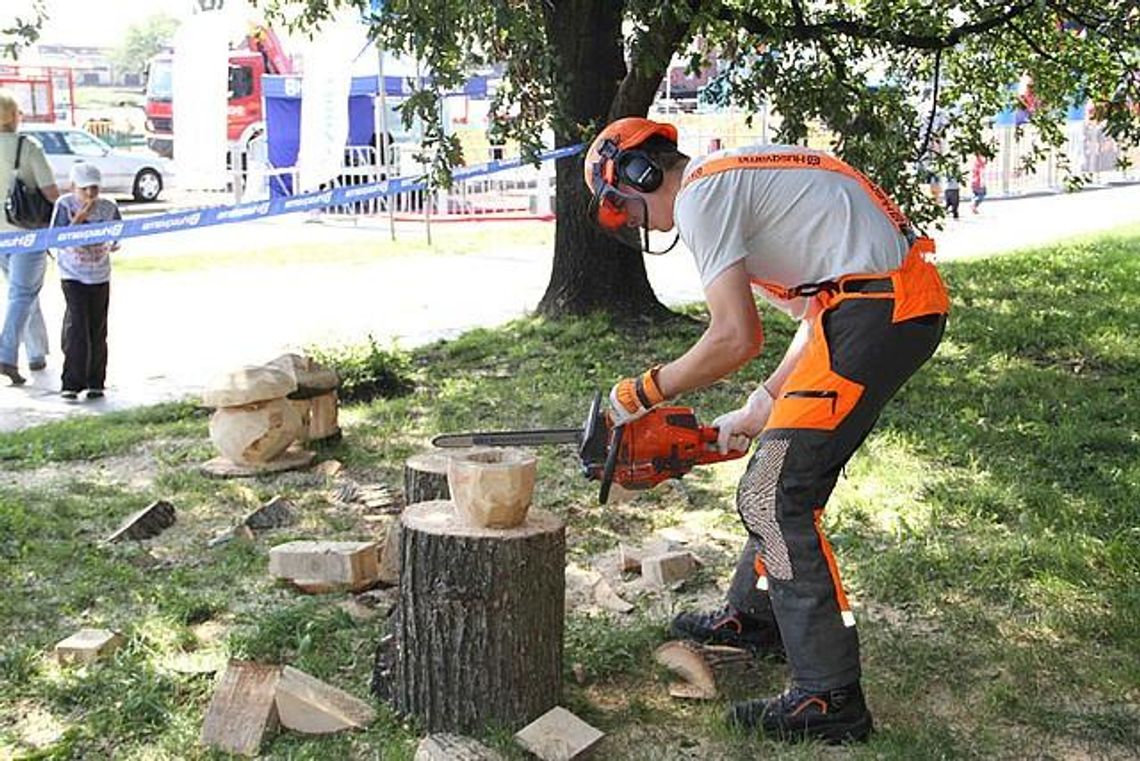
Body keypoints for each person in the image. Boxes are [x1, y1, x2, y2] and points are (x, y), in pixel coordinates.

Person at [584, 118, 949, 744]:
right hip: (872, 307)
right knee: (778, 481)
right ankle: (756, 619)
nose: (628, 219)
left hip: (880, 310)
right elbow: (815, 316)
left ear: (640, 174)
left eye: (621, 205)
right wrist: (760, 406)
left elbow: (735, 337)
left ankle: (829, 696)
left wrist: (640, 394)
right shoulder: (731, 187)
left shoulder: (702, 195)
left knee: (773, 495)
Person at [0, 89, 60, 385]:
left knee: (22, 292)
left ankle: (36, 354)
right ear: (13, 115)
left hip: (1, 237)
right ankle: (6, 354)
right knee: (23, 293)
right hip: (26, 234)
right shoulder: (28, 147)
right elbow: (50, 192)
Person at [50, 163, 121, 401]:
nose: (90, 195)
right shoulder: (65, 205)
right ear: (73, 187)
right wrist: (78, 221)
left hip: (99, 274)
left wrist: (111, 241)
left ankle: (96, 381)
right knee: (77, 326)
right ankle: (71, 382)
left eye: (94, 189)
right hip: (73, 273)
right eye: (84, 189)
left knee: (97, 327)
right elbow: (56, 239)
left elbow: (118, 236)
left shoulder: (109, 207)